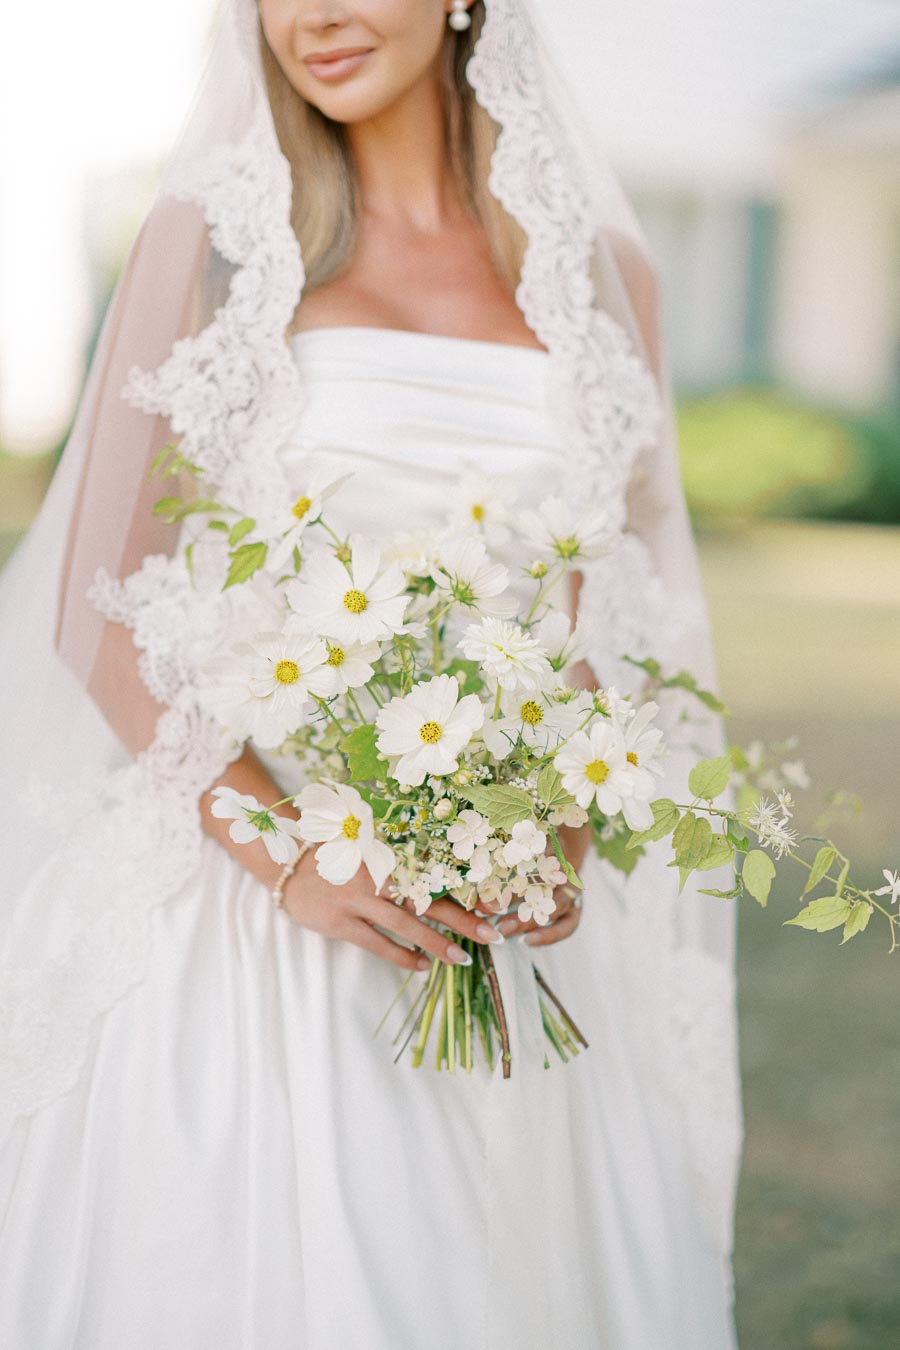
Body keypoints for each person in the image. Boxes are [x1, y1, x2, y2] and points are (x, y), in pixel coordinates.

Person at [0, 2, 744, 1346]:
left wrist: (557, 817)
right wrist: (292, 850)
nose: (313, 16)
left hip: (499, 923)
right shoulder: (218, 249)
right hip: (258, 914)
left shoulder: (611, 279)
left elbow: (606, 607)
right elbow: (100, 610)